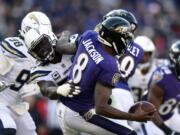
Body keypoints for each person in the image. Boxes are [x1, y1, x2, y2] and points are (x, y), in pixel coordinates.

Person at [56, 16, 156, 135]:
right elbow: (101, 108)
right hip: (78, 112)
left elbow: (60, 47)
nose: (127, 43)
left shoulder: (89, 36)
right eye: (125, 39)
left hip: (63, 104)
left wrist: (65, 34)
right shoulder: (110, 65)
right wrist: (132, 116)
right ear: (113, 38)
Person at [145, 41, 180, 135]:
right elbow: (151, 111)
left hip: (170, 114)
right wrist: (169, 131)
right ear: (175, 60)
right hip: (151, 119)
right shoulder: (163, 79)